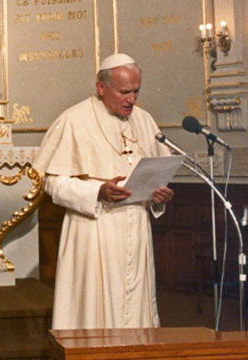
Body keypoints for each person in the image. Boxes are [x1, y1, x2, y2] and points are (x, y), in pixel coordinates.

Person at [34, 53, 175, 329]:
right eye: (124, 92)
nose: (131, 99)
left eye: (136, 91)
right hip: (93, 231)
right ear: (101, 88)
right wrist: (97, 191)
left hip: (136, 229)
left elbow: (156, 173)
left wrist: (159, 196)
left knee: (136, 310)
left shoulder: (144, 121)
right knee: (93, 313)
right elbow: (51, 183)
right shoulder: (73, 119)